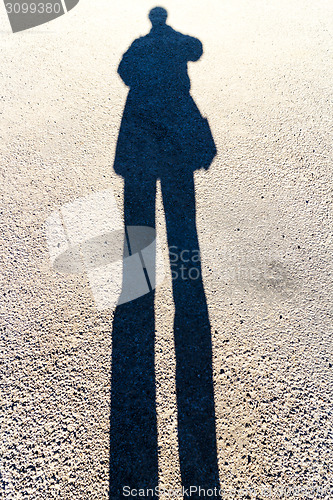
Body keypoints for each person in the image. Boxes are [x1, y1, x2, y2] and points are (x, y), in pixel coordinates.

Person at [110, 8, 220, 499]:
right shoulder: (178, 46)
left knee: (140, 217)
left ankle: (139, 280)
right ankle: (185, 278)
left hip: (140, 134)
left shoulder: (139, 49)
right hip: (175, 131)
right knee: (181, 216)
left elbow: (124, 72)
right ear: (166, 20)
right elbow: (198, 49)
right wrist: (172, 46)